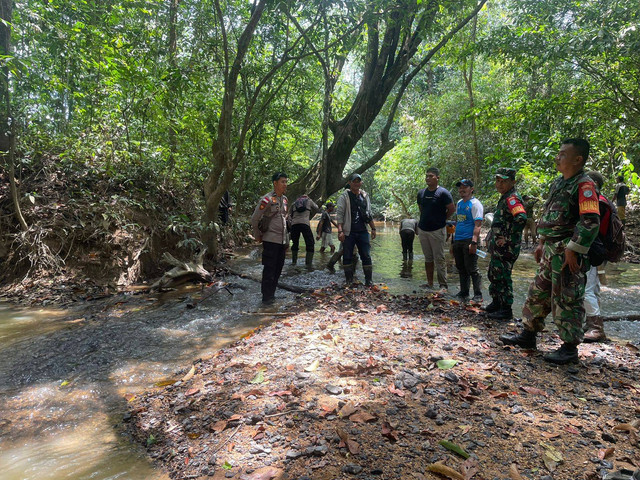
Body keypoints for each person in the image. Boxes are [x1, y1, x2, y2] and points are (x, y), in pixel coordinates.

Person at [500, 139, 600, 364]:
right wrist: (541, 242)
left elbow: (591, 221)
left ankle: (569, 348)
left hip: (567, 251)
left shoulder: (584, 185)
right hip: (550, 249)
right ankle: (528, 334)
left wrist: (573, 250)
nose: (557, 157)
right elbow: (549, 215)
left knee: (567, 297)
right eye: (558, 153)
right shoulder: (559, 183)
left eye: (563, 154)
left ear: (578, 159)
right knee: (538, 292)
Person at [485, 168, 527, 320]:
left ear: (513, 182)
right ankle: (496, 302)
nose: (500, 184)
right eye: (498, 181)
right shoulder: (505, 197)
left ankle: (506, 309)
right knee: (494, 273)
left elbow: (521, 218)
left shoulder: (512, 199)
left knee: (503, 275)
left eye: (504, 181)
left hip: (507, 247)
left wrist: (508, 238)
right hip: (499, 246)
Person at [251, 172, 290, 304]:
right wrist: (258, 235)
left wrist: (287, 240)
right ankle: (266, 298)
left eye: (286, 181)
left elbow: (284, 220)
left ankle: (272, 295)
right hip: (270, 240)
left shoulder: (284, 200)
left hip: (282, 241)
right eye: (282, 182)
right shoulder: (266, 199)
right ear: (275, 183)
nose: (285, 184)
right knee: (269, 270)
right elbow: (254, 218)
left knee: (278, 269)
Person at [416, 167, 455, 290]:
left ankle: (443, 285)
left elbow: (452, 209)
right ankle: (430, 283)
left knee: (439, 258)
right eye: (427, 176)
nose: (428, 178)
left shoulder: (443, 193)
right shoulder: (421, 193)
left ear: (437, 178)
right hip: (423, 229)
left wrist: (442, 220)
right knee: (428, 258)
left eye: (431, 176)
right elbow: (421, 209)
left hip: (437, 230)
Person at [583, 171, 610, 342]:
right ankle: (591, 322)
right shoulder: (603, 200)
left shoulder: (597, 202)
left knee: (586, 289)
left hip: (593, 249)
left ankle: (595, 327)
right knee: (594, 288)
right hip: (601, 249)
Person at [336, 173, 377, 286]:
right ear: (350, 183)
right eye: (354, 181)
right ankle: (349, 280)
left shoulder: (364, 196)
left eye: (358, 181)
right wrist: (340, 231)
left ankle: (369, 281)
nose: (356, 183)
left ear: (361, 183)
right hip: (349, 232)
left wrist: (373, 228)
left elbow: (368, 213)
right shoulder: (344, 196)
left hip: (363, 231)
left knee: (366, 256)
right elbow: (340, 215)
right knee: (347, 256)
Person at [451, 179, 483, 301]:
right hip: (458, 239)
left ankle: (478, 295)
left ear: (471, 189)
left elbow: (478, 225)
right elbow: (458, 222)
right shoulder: (459, 203)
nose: (461, 189)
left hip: (469, 239)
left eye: (465, 187)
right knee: (461, 267)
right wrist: (452, 242)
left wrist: (474, 242)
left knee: (472, 268)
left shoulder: (475, 204)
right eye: (460, 188)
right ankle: (464, 292)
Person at [288, 194, 319, 267]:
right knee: (310, 243)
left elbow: (289, 214)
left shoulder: (294, 203)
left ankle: (294, 262)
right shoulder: (309, 201)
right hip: (305, 223)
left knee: (295, 243)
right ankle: (308, 264)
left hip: (294, 224)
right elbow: (317, 207)